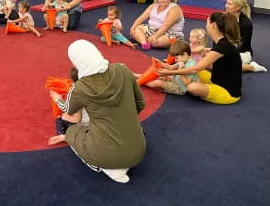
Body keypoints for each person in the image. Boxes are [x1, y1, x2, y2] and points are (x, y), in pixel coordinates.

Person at [49, 40, 146, 183]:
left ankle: (107, 167)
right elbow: (140, 104)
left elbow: (68, 110)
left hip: (106, 154)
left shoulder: (79, 87)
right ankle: (115, 161)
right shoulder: (122, 69)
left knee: (71, 132)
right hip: (139, 149)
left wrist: (57, 99)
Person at [158, 12, 242, 105]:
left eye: (207, 22)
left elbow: (196, 69)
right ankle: (178, 79)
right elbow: (210, 66)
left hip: (228, 92)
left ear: (213, 25)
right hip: (217, 79)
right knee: (193, 68)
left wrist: (170, 72)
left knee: (192, 87)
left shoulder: (222, 46)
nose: (206, 25)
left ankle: (176, 80)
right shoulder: (219, 42)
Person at [225, 0, 267, 72]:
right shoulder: (225, 18)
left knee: (222, 63)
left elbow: (241, 46)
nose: (226, 6)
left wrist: (222, 53)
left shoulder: (246, 24)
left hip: (243, 53)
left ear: (238, 7)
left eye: (229, 4)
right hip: (228, 49)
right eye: (226, 3)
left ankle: (252, 67)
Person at [48, 67, 89, 145]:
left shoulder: (77, 94)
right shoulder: (92, 88)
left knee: (60, 119)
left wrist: (58, 100)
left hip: (83, 126)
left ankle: (63, 135)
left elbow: (76, 119)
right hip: (98, 123)